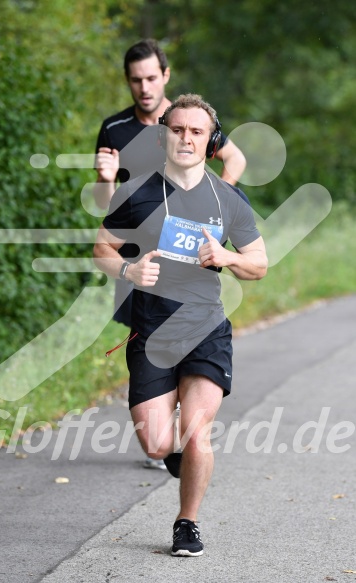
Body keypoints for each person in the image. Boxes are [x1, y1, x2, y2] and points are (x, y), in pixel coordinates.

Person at [93, 94, 267, 557]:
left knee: (197, 428)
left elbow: (259, 263)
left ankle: (186, 522)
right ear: (163, 135)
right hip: (150, 330)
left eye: (196, 131)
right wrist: (128, 271)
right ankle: (173, 452)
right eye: (177, 129)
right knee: (155, 443)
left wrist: (227, 256)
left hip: (206, 326)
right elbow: (102, 248)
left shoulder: (227, 198)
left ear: (210, 141)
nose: (186, 137)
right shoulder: (136, 193)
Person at [94, 39, 247, 471]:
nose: (143, 87)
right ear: (127, 82)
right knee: (144, 329)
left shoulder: (187, 121)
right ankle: (159, 414)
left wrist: (215, 206)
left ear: (165, 75)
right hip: (139, 251)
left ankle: (185, 413)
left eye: (150, 77)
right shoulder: (115, 128)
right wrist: (107, 179)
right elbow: (107, 203)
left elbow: (234, 159)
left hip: (186, 247)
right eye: (135, 80)